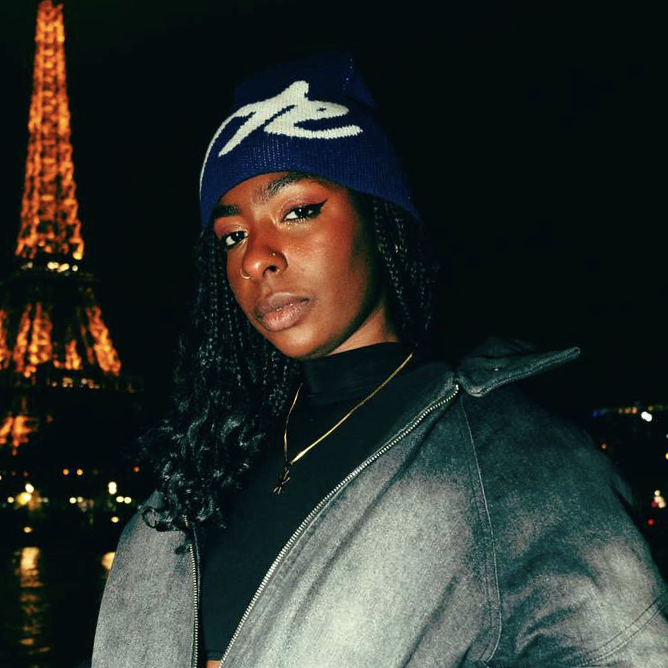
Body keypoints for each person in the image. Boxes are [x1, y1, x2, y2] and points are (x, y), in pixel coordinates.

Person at [90, 50, 668, 667]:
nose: (256, 257)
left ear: (379, 217)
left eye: (298, 211)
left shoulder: (514, 460)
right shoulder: (207, 466)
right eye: (233, 235)